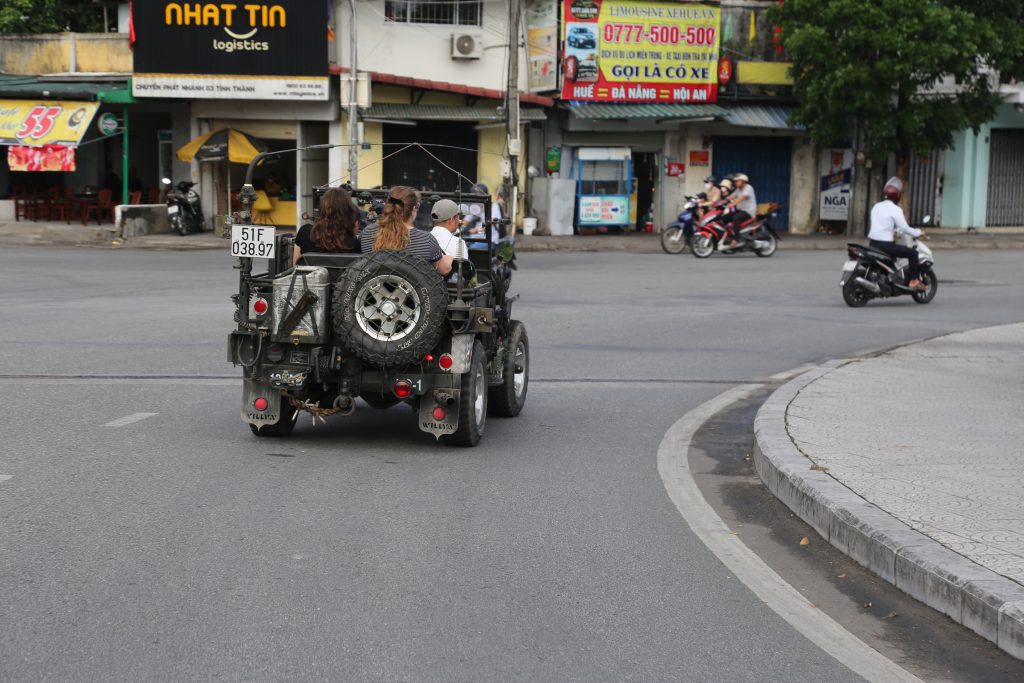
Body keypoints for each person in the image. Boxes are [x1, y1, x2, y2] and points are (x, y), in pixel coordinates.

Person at [359, 186, 453, 277]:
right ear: (413, 209)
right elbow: (444, 270)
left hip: (374, 288)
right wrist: (449, 259)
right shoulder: (426, 240)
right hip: (412, 288)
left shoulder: (368, 232)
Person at [868, 177, 927, 290]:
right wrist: (918, 232)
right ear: (897, 195)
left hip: (873, 244)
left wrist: (893, 231)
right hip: (886, 246)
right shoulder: (896, 209)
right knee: (913, 254)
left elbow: (880, 224)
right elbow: (904, 228)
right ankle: (913, 281)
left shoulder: (876, 206)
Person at [292, 187, 360, 266]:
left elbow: (295, 266)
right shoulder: (353, 243)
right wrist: (353, 233)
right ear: (347, 211)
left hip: (310, 274)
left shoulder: (304, 232)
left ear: (322, 207)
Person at [722, 173, 756, 247]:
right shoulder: (738, 189)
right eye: (735, 181)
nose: (735, 183)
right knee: (724, 217)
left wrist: (732, 204)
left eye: (737, 181)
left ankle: (736, 239)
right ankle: (729, 235)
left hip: (748, 211)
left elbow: (742, 198)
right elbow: (731, 196)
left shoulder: (748, 188)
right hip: (740, 210)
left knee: (736, 218)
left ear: (743, 181)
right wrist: (721, 202)